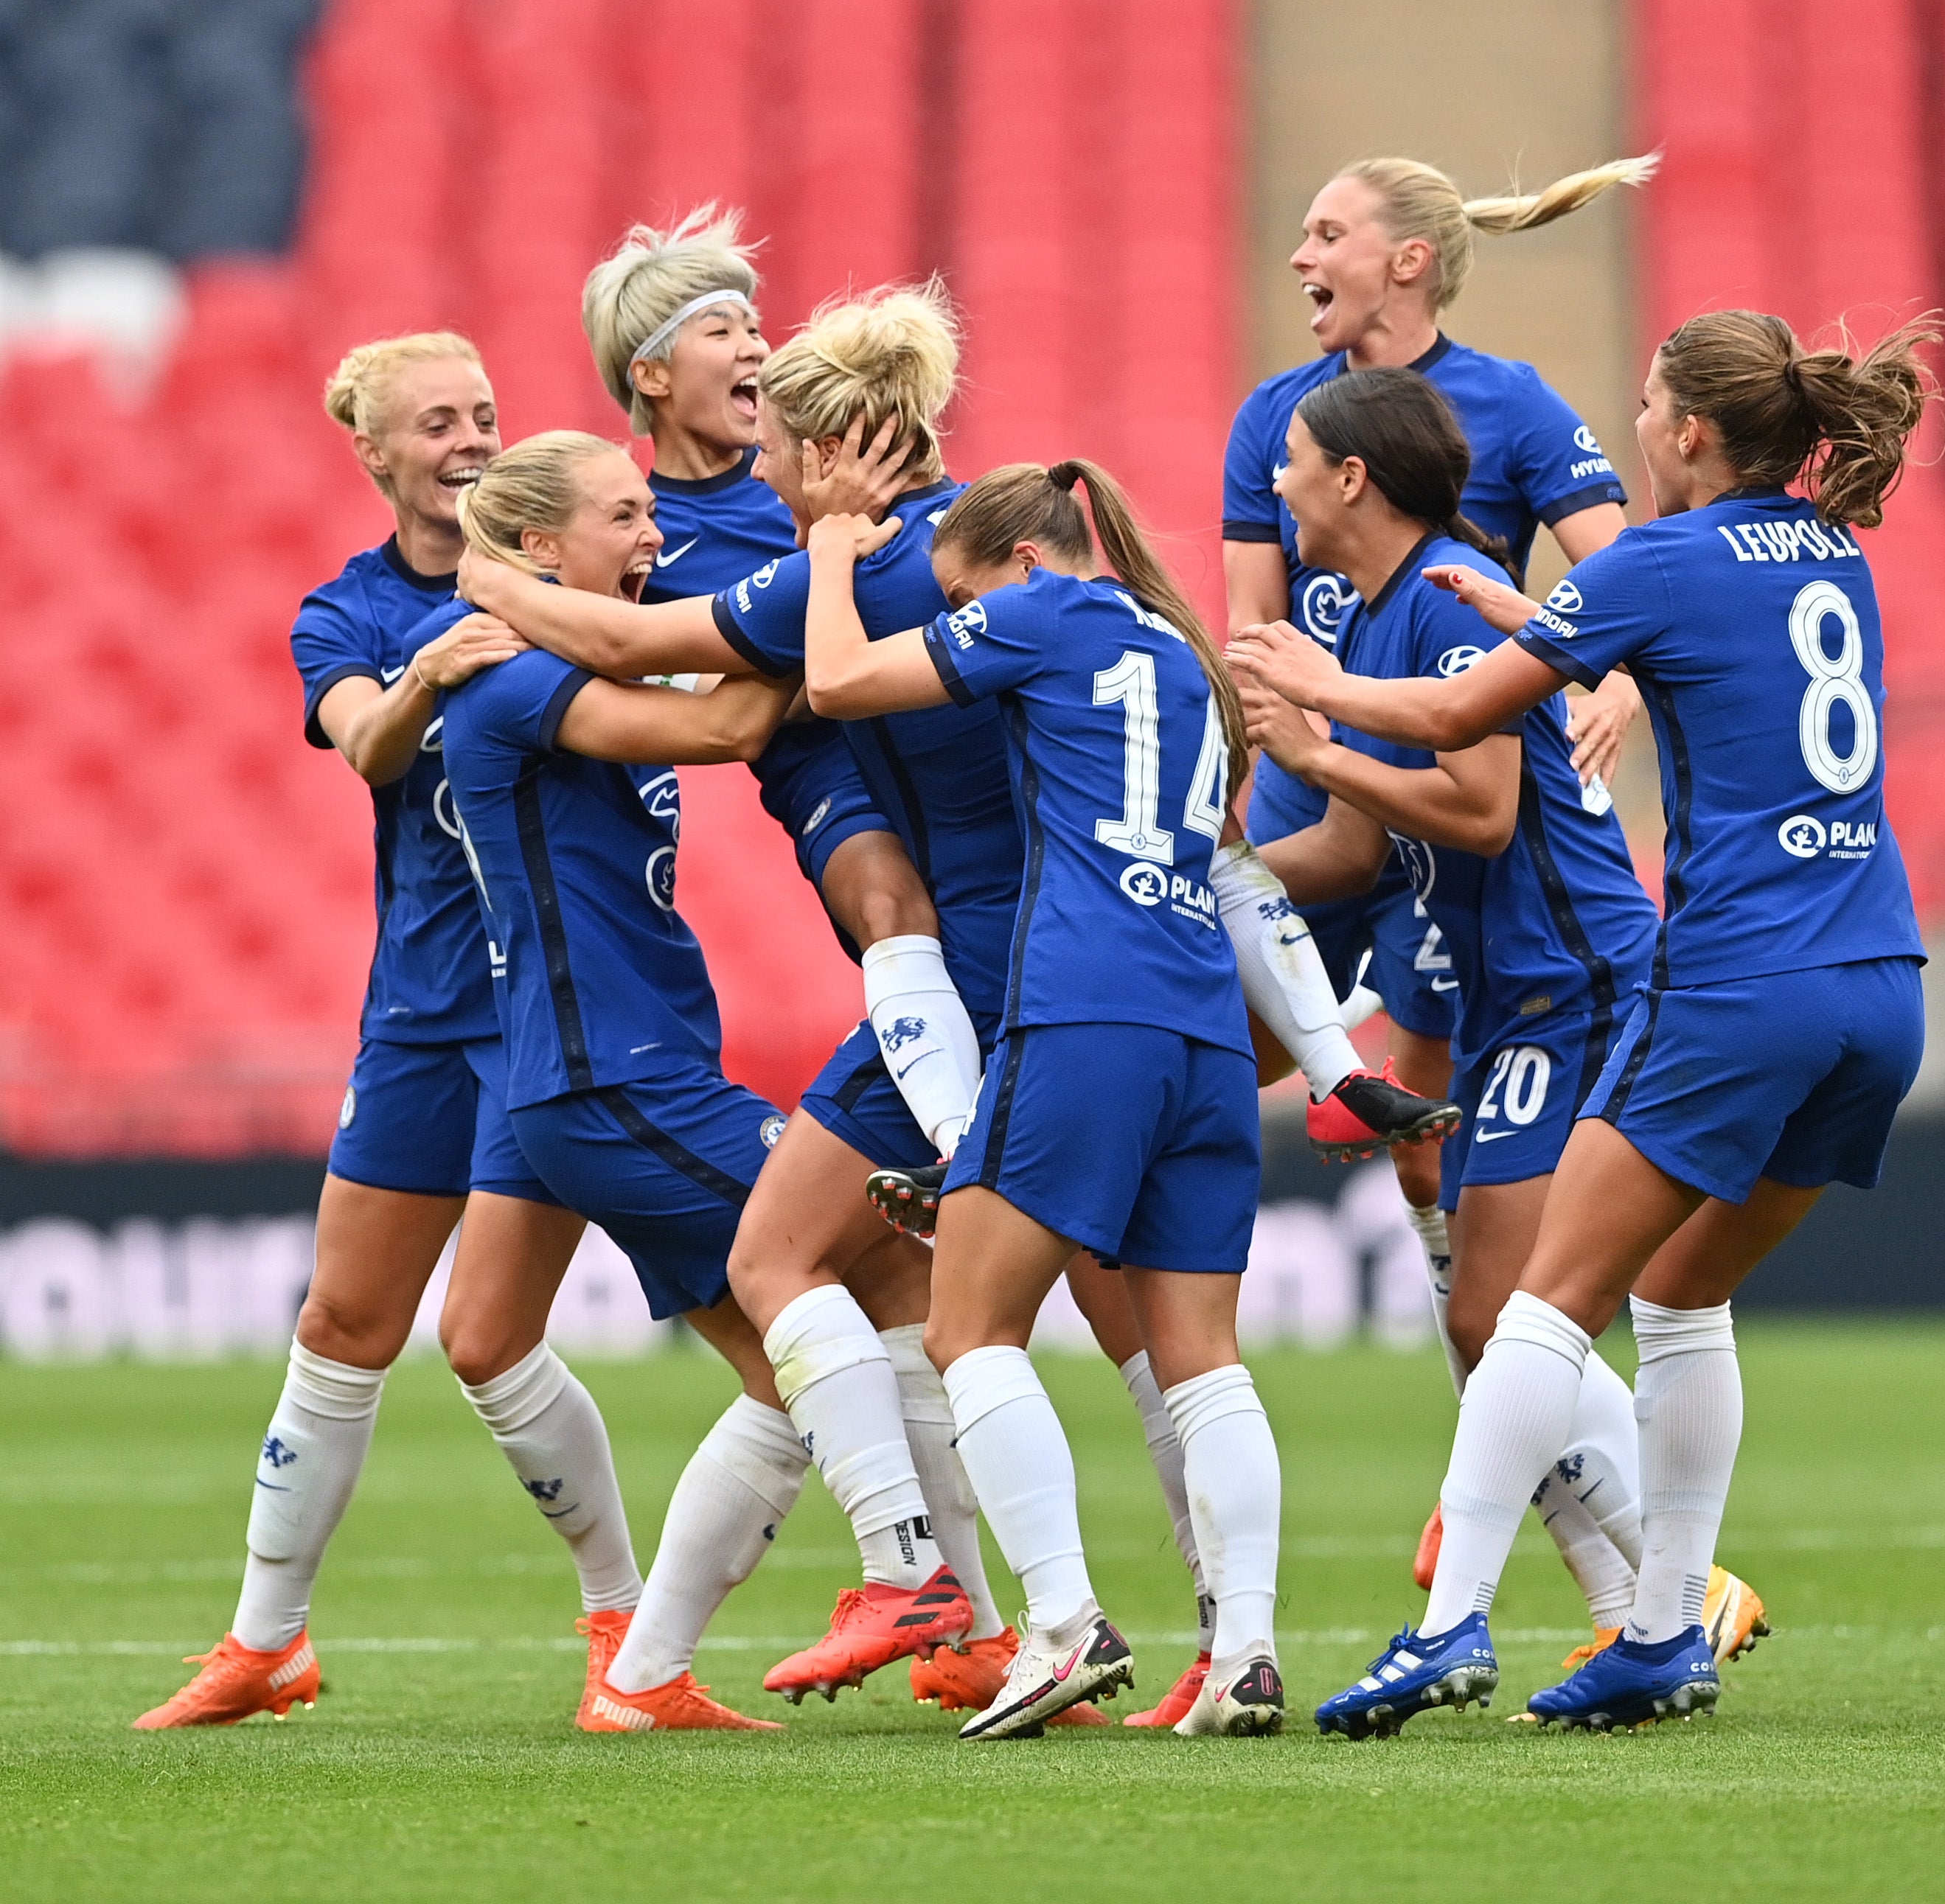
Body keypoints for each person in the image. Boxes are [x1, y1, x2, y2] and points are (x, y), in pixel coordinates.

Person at [462, 287, 1442, 1723]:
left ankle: (948, 1582)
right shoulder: (1095, 607)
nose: (772, 478)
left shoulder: (863, 571)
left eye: (787, 452)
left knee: (786, 1261)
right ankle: (1227, 1644)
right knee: (1157, 1338)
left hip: (1006, 971)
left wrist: (485, 585)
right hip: (1137, 970)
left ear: (832, 453)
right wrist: (1323, 1045)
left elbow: (648, 657)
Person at [1234, 308, 1932, 1737]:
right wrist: (1525, 617)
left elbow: (1457, 723)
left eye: (1644, 410)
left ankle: (1445, 1630)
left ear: (1687, 433)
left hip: (1741, 978)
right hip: (1880, 983)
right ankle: (1663, 1630)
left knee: (1543, 1305)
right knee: (1679, 1296)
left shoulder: (1665, 561)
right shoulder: (1833, 555)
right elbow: (1635, 642)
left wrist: (1309, 701)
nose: (1629, 435)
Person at [137, 336, 644, 1730]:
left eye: (485, 411)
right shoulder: (348, 612)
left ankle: (622, 1622)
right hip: (422, 1009)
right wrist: (433, 669)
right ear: (373, 451)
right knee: (344, 1319)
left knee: (488, 1340)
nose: (471, 437)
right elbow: (365, 741)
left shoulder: (566, 577)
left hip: (544, 1006)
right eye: (437, 422)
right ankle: (266, 1640)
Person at [439, 430, 978, 1733]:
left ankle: (642, 1677)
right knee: (864, 1274)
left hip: (609, 1071)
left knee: (793, 1359)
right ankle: (917, 1580)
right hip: (612, 1076)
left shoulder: (547, 656)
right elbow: (737, 718)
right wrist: (838, 580)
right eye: (625, 518)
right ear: (542, 551)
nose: (652, 538)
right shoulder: (516, 679)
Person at [1239, 365, 1765, 1689]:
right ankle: (1656, 1599)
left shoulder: (1445, 603)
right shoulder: (1370, 618)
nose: (1276, 481)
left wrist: (1309, 749)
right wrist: (1209, 874)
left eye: (1294, 458)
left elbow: (1477, 809)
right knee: (1496, 1321)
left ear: (1354, 479)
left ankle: (1665, 1592)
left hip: (1573, 980)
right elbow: (1358, 849)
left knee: (1507, 1309)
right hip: (1505, 988)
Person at [571, 232, 1014, 1712]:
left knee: (855, 1286)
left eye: (760, 324)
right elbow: (660, 654)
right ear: (652, 373)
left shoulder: (805, 488)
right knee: (883, 901)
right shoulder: (665, 530)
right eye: (721, 327)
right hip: (829, 758)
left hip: (928, 763)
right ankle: (964, 1615)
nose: (752, 345)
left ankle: (931, 1612)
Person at [802, 461, 1285, 1740]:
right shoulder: (1185, 655)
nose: (961, 610)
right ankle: (1246, 1653)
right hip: (1204, 1029)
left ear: (1020, 563)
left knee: (969, 1328)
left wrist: (837, 555)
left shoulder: (1043, 611)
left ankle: (1063, 1625)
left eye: (961, 591)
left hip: (1085, 1010)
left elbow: (839, 684)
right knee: (1205, 1361)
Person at [1224, 151, 1653, 1439]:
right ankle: (1507, 1410)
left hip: (1442, 803)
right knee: (1187, 1068)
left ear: (1407, 260)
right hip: (1330, 808)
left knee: (1437, 1152)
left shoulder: (1508, 410)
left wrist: (1615, 675)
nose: (1300, 258)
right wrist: (1277, 754)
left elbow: (1621, 575)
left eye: (1325, 233)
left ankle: (1509, 1424)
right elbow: (1251, 624)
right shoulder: (1274, 418)